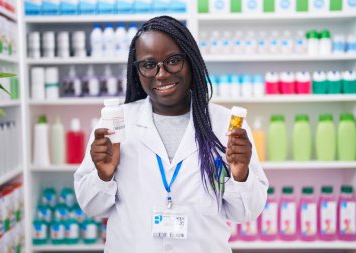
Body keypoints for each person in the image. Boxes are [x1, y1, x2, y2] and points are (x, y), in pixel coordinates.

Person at [74, 16, 268, 253]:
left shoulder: (226, 125)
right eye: (148, 65)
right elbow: (91, 206)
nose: (162, 74)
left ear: (191, 61)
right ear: (137, 71)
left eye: (173, 61)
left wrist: (240, 176)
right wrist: (103, 176)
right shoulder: (116, 123)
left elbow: (247, 212)